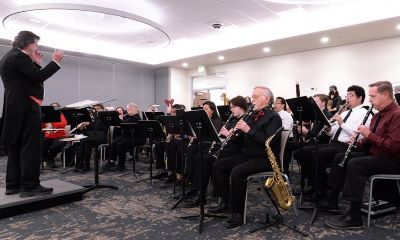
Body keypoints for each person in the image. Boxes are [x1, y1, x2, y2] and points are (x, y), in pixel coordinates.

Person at [324, 81, 400, 229]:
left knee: (355, 164)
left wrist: (369, 135)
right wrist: (360, 142)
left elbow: (393, 147)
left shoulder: (397, 114)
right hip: (378, 156)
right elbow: (373, 142)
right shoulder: (378, 115)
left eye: (373, 96)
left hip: (393, 160)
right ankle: (332, 200)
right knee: (341, 157)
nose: (369, 99)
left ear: (385, 95)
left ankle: (354, 217)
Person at [0, 31, 64, 198]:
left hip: (16, 106)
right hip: (26, 106)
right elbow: (39, 76)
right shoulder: (19, 57)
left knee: (17, 145)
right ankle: (30, 186)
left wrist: (36, 63)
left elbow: (31, 78)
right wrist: (55, 62)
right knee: (31, 146)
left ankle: (13, 185)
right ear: (26, 43)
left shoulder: (11, 56)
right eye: (35, 44)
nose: (37, 47)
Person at [212, 86, 282, 228]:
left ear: (266, 99)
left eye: (256, 97)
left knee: (237, 172)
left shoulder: (274, 117)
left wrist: (248, 129)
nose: (252, 100)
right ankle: (228, 204)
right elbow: (243, 136)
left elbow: (268, 141)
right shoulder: (252, 115)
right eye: (253, 96)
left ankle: (238, 214)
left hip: (265, 158)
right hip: (248, 155)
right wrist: (233, 133)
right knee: (218, 165)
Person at [293, 85, 371, 200]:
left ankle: (320, 189)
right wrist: (329, 128)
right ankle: (315, 183)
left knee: (315, 154)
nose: (348, 98)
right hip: (335, 144)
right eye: (347, 95)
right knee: (300, 152)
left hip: (347, 146)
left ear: (360, 98)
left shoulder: (365, 113)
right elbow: (333, 132)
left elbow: (359, 134)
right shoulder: (344, 113)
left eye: (351, 95)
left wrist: (342, 123)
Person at [183, 96, 248, 207]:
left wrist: (228, 135)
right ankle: (198, 191)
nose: (231, 110)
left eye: (232, 107)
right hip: (227, 146)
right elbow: (229, 136)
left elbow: (243, 139)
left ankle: (204, 195)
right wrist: (223, 136)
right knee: (201, 157)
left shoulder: (245, 119)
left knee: (207, 159)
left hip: (237, 150)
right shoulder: (233, 119)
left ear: (241, 107)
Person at [42, 102, 70, 168]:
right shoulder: (46, 115)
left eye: (56, 107)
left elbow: (64, 124)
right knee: (42, 145)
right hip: (48, 135)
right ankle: (46, 160)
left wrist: (53, 124)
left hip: (60, 135)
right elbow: (42, 126)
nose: (54, 108)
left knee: (56, 146)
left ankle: (50, 158)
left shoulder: (62, 115)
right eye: (52, 107)